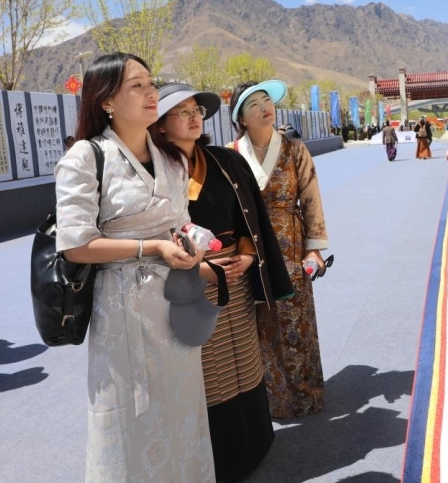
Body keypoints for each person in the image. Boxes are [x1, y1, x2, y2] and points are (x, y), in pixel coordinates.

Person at [54, 53, 215, 482]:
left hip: (174, 303)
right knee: (129, 417)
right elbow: (75, 245)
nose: (151, 93)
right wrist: (152, 247)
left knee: (182, 411)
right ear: (106, 100)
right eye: (137, 86)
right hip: (123, 310)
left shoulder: (172, 158)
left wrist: (192, 243)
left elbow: (179, 222)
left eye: (151, 83)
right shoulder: (85, 157)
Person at [149, 83, 293, 480]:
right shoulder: (152, 171)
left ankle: (256, 441)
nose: (194, 117)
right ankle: (221, 460)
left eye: (196, 110)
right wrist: (200, 266)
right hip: (189, 276)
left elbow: (249, 215)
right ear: (159, 125)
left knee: (244, 357)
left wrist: (246, 254)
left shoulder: (225, 160)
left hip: (235, 271)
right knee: (208, 369)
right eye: (182, 112)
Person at [228, 80, 330, 418]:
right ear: (241, 118)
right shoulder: (230, 155)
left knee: (295, 319)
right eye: (253, 104)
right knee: (258, 323)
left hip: (290, 245)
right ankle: (271, 400)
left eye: (266, 100)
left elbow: (311, 200)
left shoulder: (295, 149)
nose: (264, 107)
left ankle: (305, 393)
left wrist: (314, 249)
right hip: (250, 249)